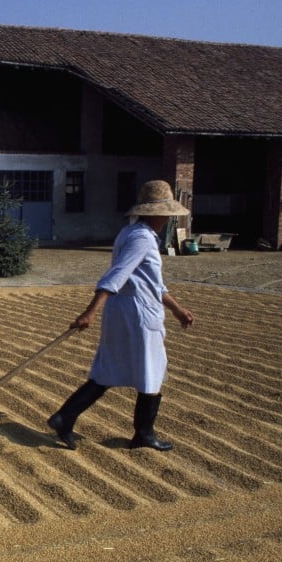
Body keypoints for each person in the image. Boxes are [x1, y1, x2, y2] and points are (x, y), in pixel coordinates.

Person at [47, 180, 194, 451]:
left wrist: (176, 308)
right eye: (167, 212)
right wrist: (90, 311)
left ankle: (64, 417)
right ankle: (144, 434)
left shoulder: (132, 233)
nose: (170, 216)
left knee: (107, 370)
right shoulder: (141, 238)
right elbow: (118, 275)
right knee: (152, 370)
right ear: (158, 212)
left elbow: (152, 283)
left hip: (123, 311)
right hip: (137, 314)